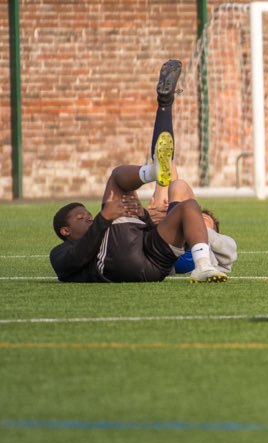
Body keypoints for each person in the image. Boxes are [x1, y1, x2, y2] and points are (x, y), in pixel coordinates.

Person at [49, 59, 227, 284]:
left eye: (88, 215)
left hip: (155, 267)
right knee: (117, 178)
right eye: (81, 217)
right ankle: (155, 161)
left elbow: (148, 239)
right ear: (65, 231)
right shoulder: (60, 253)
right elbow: (79, 256)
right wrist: (103, 219)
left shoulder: (103, 233)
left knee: (188, 206)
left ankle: (203, 266)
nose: (88, 218)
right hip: (120, 264)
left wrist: (144, 216)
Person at [144, 179, 238, 275]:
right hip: (161, 250)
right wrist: (148, 219)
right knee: (177, 186)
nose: (197, 221)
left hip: (187, 254)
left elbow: (229, 250)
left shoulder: (219, 242)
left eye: (204, 220)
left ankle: (203, 265)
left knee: (179, 186)